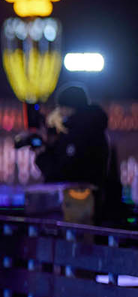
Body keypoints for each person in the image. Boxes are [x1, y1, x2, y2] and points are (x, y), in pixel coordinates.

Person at [33, 84, 125, 225]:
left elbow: (64, 173)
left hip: (77, 210)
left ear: (69, 108)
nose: (60, 113)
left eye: (62, 108)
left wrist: (42, 155)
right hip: (93, 206)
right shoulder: (93, 130)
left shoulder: (80, 134)